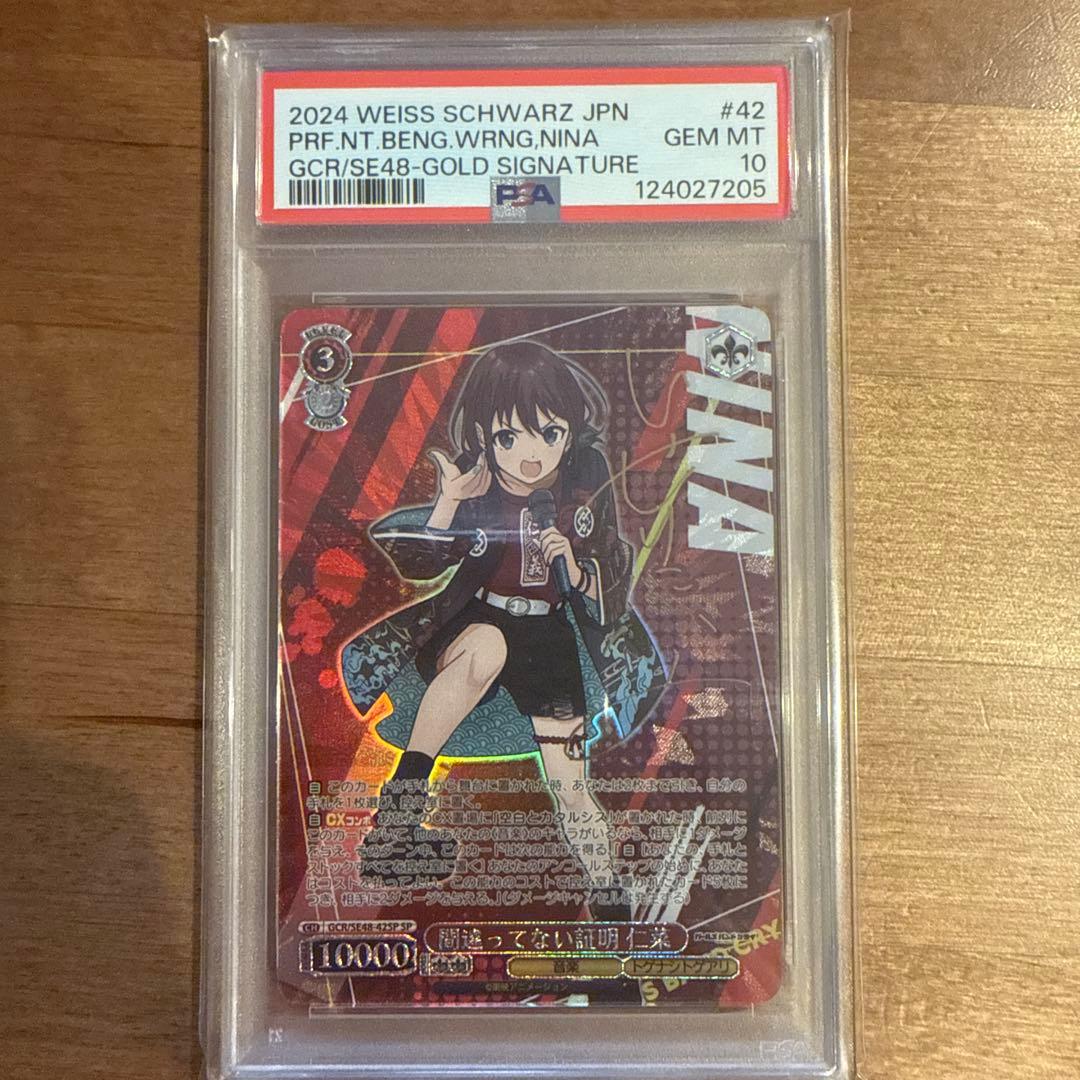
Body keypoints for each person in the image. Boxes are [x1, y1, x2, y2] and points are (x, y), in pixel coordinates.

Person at [341, 340, 665, 918]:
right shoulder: (478, 484)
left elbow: (610, 572)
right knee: (485, 646)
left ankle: (608, 894)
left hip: (550, 642)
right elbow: (425, 566)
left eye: (550, 434)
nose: (531, 457)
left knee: (571, 784)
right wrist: (447, 503)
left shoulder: (584, 483)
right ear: (486, 438)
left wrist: (576, 570)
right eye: (510, 438)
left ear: (570, 432)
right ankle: (396, 825)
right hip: (480, 619)